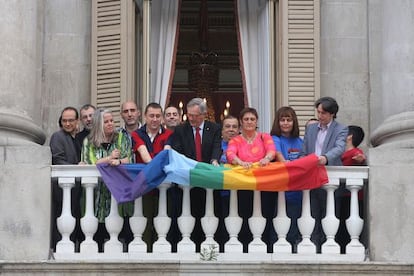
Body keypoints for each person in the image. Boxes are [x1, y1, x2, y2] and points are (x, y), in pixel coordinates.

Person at [172, 97, 222, 251]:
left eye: (195, 116)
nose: (191, 119)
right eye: (189, 115)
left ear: (204, 114)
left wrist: (214, 160)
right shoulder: (181, 130)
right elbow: (177, 151)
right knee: (187, 216)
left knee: (209, 216)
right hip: (188, 181)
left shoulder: (214, 128)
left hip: (207, 180)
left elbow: (216, 147)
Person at [300, 96, 348, 252]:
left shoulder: (341, 129)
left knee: (330, 214)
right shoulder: (311, 128)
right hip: (312, 178)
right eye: (318, 112)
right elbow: (305, 151)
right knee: (312, 214)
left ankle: (329, 249)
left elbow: (340, 148)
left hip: (330, 179)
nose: (319, 116)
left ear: (332, 114)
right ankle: (313, 247)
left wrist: (325, 158)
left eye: (323, 113)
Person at [226, 107, 277, 252]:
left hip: (264, 184)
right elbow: (230, 154)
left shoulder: (264, 137)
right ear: (241, 122)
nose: (249, 122)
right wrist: (240, 162)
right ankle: (245, 248)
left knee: (265, 214)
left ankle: (265, 247)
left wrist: (266, 159)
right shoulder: (236, 140)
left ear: (257, 122)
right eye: (246, 119)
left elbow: (272, 151)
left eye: (252, 119)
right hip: (244, 183)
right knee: (244, 214)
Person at [80, 108, 132, 251]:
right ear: (98, 124)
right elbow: (90, 162)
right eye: (106, 122)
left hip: (118, 195)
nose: (110, 124)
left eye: (111, 121)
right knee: (96, 238)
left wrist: (119, 161)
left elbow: (129, 158)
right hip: (96, 197)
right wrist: (109, 159)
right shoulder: (89, 141)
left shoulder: (122, 137)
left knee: (120, 237)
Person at [131, 102, 173, 250]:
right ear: (145, 117)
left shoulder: (169, 134)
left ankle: (161, 253)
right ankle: (145, 253)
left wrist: (154, 161)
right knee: (144, 221)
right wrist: (155, 162)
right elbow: (145, 155)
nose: (154, 119)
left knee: (163, 221)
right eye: (151, 116)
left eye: (157, 116)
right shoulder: (136, 134)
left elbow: (165, 155)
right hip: (144, 185)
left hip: (164, 185)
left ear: (162, 118)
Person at [270, 106, 304, 251]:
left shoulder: (300, 141)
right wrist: (285, 163)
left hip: (296, 191)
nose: (285, 123)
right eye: (282, 120)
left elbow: (305, 157)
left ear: (294, 122)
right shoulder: (274, 138)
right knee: (277, 227)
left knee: (294, 226)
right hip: (278, 190)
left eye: (288, 120)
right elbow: (277, 153)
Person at [49, 106, 83, 251]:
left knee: (76, 221)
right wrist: (77, 166)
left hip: (78, 189)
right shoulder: (58, 136)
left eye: (70, 120)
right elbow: (57, 160)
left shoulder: (80, 138)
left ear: (77, 121)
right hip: (63, 189)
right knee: (62, 221)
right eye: (64, 121)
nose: (67, 124)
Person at [337, 125, 366, 252]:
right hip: (342, 194)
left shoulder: (355, 152)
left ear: (349, 137)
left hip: (351, 196)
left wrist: (361, 159)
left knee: (347, 223)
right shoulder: (342, 152)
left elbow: (360, 156)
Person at [215, 115, 239, 251]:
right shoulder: (216, 146)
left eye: (234, 127)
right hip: (219, 194)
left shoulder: (243, 145)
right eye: (227, 126)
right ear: (222, 130)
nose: (231, 130)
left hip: (240, 192)